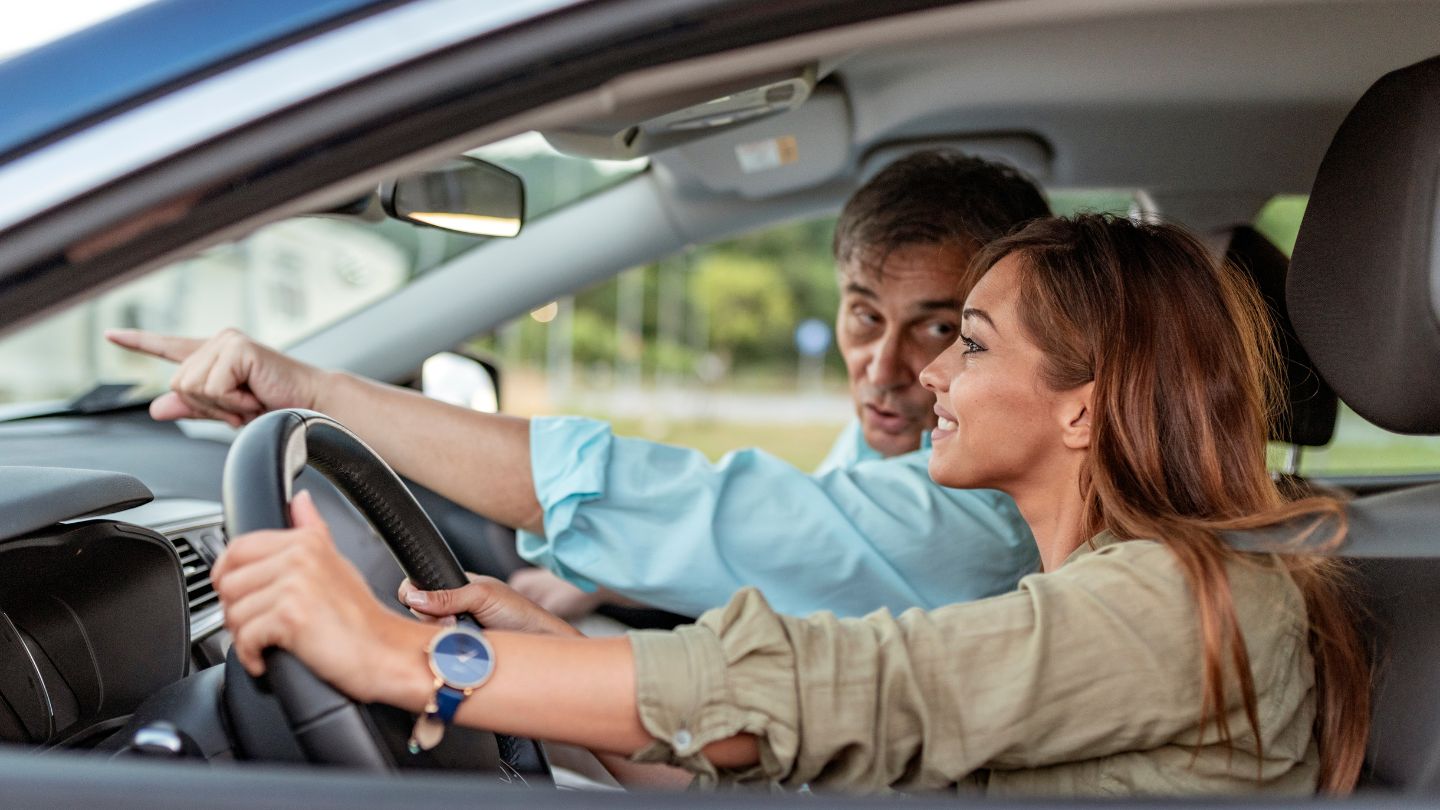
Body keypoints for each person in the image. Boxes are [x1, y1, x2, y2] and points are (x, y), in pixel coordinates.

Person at [206, 214, 1371, 795]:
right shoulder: (1150, 587)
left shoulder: (1182, 602)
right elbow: (815, 764)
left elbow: (849, 687)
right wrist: (555, 669)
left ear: (1083, 407)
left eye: (964, 343)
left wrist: (404, 661)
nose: (926, 379)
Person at [108, 150, 1050, 620]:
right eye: (861, 315)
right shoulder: (911, 445)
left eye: (939, 328)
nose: (886, 371)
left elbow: (709, 509)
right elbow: (796, 549)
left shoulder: (979, 515)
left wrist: (309, 385)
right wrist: (597, 587)